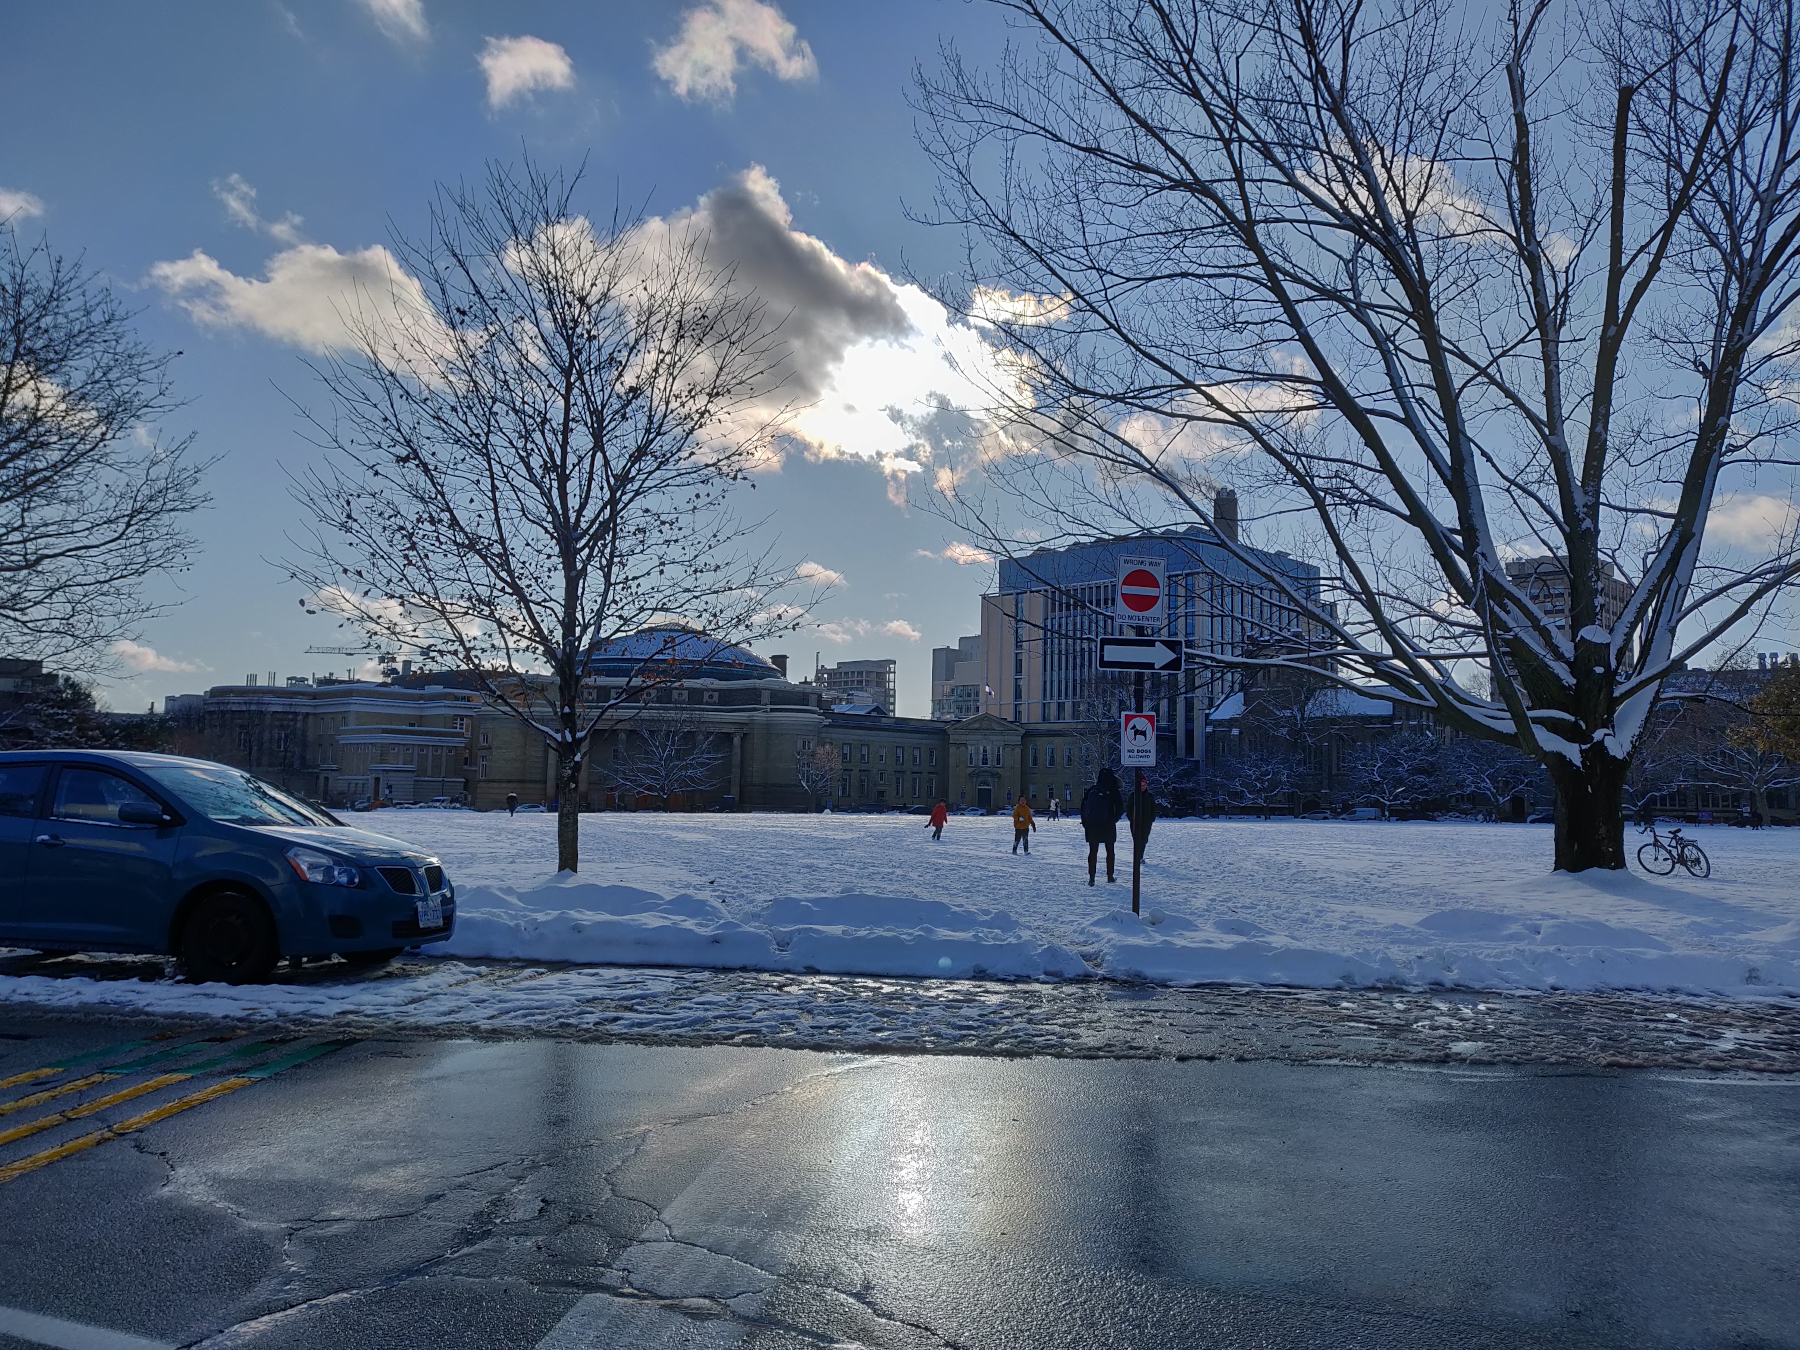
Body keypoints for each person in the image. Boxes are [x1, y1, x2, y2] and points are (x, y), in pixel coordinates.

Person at [1079, 767, 1125, 885]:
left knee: (1093, 851)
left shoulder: (1092, 789)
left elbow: (1083, 806)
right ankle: (1110, 876)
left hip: (1092, 825)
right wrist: (1113, 820)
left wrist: (1086, 823)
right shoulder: (1113, 790)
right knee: (1110, 851)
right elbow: (1120, 808)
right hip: (1108, 825)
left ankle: (1092, 878)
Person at [1125, 770, 1156, 866]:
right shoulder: (1133, 795)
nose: (1142, 787)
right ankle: (1137, 857)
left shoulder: (1150, 796)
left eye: (1144, 785)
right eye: (1141, 785)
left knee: (1144, 840)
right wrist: (1131, 818)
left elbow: (1153, 808)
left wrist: (1152, 818)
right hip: (1135, 822)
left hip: (1146, 822)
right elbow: (1128, 808)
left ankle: (1140, 856)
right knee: (1136, 840)